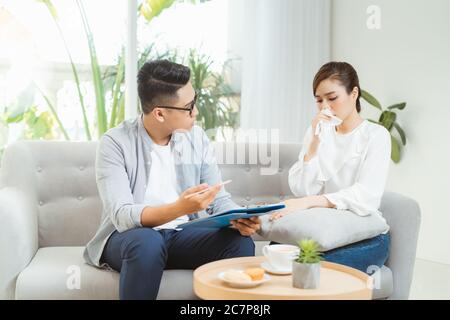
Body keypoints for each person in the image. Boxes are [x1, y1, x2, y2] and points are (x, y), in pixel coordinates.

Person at [83, 60, 261, 299]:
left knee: (240, 243)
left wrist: (238, 217)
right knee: (147, 242)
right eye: (189, 107)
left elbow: (219, 199)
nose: (195, 112)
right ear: (159, 113)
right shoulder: (116, 143)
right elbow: (123, 215)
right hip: (130, 239)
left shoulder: (196, 138)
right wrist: (179, 208)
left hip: (181, 235)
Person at [270, 61, 391, 272]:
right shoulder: (316, 132)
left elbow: (366, 196)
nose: (325, 107)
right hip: (321, 230)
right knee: (278, 255)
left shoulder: (376, 135)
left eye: (332, 98)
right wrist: (315, 143)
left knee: (312, 269)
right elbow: (302, 190)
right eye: (319, 100)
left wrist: (309, 202)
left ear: (354, 94)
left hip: (363, 235)